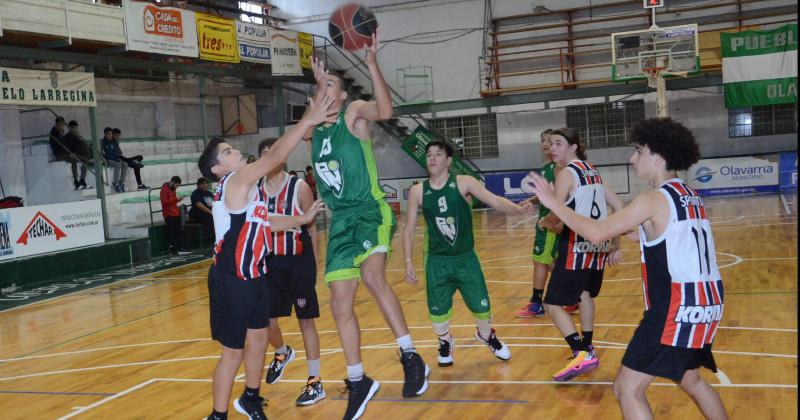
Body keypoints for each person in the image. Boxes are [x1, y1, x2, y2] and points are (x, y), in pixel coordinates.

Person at [526, 118, 728, 419]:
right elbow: (671, 235)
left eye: (638, 151)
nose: (632, 158)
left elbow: (595, 233)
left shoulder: (652, 199)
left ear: (657, 156)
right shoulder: (688, 195)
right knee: (689, 377)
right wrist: (637, 235)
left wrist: (551, 203)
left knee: (626, 389)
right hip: (707, 302)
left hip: (675, 306)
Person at [307, 34, 429, 420]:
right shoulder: (313, 130)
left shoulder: (353, 113)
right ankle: (358, 379)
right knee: (338, 303)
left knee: (374, 278)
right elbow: (305, 127)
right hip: (340, 221)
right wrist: (317, 86)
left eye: (331, 86)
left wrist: (372, 63)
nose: (324, 90)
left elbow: (387, 108)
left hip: (369, 210)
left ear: (342, 96)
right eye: (320, 86)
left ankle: (411, 356)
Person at [196, 95, 334, 420]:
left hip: (255, 276)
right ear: (218, 169)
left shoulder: (250, 189)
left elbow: (266, 223)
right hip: (231, 279)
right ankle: (218, 415)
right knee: (233, 352)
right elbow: (275, 155)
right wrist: (307, 121)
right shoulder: (235, 181)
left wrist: (301, 220)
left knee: (258, 339)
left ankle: (251, 398)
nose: (236, 152)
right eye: (228, 152)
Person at [403, 140, 528, 367]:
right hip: (437, 261)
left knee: (482, 308)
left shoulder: (464, 182)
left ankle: (486, 335)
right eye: (429, 154)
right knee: (438, 311)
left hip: (465, 258)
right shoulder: (418, 191)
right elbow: (409, 228)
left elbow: (494, 200)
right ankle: (445, 341)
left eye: (438, 154)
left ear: (448, 160)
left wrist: (517, 209)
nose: (431, 158)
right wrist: (408, 260)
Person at [532, 127, 624, 382]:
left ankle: (581, 351)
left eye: (558, 143)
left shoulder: (567, 173)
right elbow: (617, 206)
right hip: (597, 246)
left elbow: (555, 211)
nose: (553, 148)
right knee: (583, 295)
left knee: (551, 302)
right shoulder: (591, 170)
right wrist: (616, 244)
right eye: (550, 143)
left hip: (576, 246)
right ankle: (589, 345)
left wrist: (545, 223)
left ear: (574, 146)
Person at [257, 138, 325, 406]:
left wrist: (315, 265)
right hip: (270, 264)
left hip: (299, 261)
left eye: (275, 153)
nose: (271, 158)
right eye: (265, 154)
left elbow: (311, 228)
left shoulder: (297, 187)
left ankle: (315, 382)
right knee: (267, 324)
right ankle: (283, 352)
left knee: (306, 321)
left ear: (283, 157)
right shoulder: (255, 191)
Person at [52, 119, 91, 190]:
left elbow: (83, 149)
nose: (75, 130)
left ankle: (82, 180)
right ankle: (76, 180)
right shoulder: (66, 137)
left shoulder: (77, 136)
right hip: (69, 154)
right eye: (74, 128)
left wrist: (81, 140)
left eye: (76, 128)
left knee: (86, 160)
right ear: (69, 128)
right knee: (74, 160)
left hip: (75, 154)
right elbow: (64, 147)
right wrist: (71, 153)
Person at [160, 176, 189, 256]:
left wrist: (177, 199)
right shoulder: (164, 190)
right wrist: (176, 199)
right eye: (177, 185)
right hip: (169, 214)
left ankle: (179, 247)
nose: (177, 187)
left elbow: (172, 201)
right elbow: (164, 202)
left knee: (178, 231)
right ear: (173, 182)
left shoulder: (173, 189)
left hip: (175, 212)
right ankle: (173, 250)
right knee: (172, 233)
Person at [102, 127, 128, 193]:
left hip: (114, 159)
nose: (110, 135)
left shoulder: (112, 142)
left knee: (125, 164)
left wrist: (117, 156)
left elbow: (117, 152)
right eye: (108, 134)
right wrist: (116, 158)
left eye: (111, 134)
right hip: (107, 160)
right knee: (118, 165)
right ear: (105, 134)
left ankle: (121, 182)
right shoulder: (103, 143)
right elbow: (107, 155)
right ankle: (115, 183)